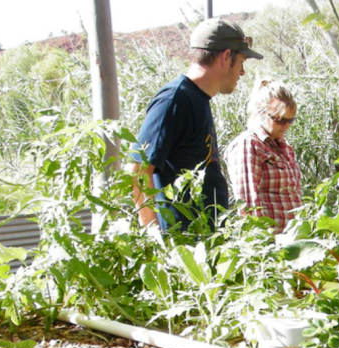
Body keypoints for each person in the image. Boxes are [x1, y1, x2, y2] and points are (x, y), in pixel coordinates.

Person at [128, 18, 262, 232]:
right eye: (241, 63)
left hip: (207, 245)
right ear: (227, 56)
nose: (242, 73)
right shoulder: (174, 100)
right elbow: (137, 172)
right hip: (183, 250)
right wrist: (156, 244)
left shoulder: (198, 99)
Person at [225, 80, 302, 234]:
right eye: (280, 119)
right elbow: (248, 204)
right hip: (270, 246)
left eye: (290, 120)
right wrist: (265, 245)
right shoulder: (248, 144)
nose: (286, 126)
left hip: (293, 241)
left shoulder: (284, 147)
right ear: (260, 112)